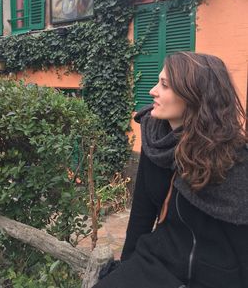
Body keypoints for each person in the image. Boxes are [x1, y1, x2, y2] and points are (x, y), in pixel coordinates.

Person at [93, 52, 248, 288]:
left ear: (194, 96)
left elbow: (240, 237)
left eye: (164, 85)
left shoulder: (233, 157)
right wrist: (126, 267)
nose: (152, 91)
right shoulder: (155, 138)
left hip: (218, 274)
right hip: (159, 260)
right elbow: (141, 214)